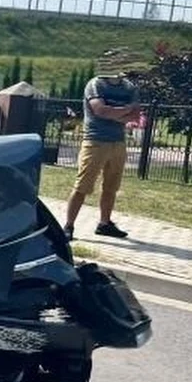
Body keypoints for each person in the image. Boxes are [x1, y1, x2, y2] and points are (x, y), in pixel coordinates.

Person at [63, 51, 141, 240]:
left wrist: (114, 112)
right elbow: (100, 110)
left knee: (111, 187)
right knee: (83, 185)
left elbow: (136, 115)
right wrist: (123, 111)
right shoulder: (96, 84)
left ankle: (104, 223)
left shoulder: (129, 87)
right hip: (95, 141)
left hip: (118, 142)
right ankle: (68, 226)